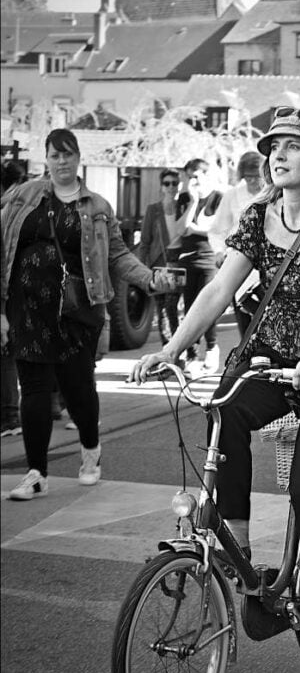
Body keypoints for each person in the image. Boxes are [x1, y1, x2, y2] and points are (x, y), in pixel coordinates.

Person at [132, 108, 300, 637]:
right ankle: (235, 544)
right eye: (273, 148)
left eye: (291, 146)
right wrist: (171, 349)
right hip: (272, 357)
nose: (277, 156)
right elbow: (219, 290)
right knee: (226, 411)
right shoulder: (257, 218)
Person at [0, 128, 172, 500]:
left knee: (77, 388)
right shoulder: (21, 196)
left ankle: (91, 450)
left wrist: (149, 279)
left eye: (68, 154)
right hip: (28, 309)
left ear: (79, 158)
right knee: (33, 389)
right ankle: (35, 473)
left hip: (77, 311)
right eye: (55, 155)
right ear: (45, 159)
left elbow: (117, 256)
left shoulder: (96, 206)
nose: (61, 162)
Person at [175, 157, 223, 377]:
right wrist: (193, 202)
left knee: (207, 306)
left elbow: (217, 230)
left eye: (195, 176)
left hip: (208, 259)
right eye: (189, 177)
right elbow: (180, 229)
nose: (192, 181)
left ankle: (211, 348)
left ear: (205, 175)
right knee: (189, 309)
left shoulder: (218, 198)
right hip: (187, 259)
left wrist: (195, 229)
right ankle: (193, 355)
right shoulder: (185, 198)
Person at [209, 150, 264, 337]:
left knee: (267, 319)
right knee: (244, 322)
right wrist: (218, 252)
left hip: (266, 267)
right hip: (237, 264)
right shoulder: (232, 196)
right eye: (248, 177)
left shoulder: (273, 194)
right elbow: (218, 230)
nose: (252, 182)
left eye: (256, 177)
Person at [138, 168, 183, 345]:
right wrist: (142, 271)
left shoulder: (184, 208)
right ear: (161, 187)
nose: (171, 187)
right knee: (162, 309)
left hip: (180, 264)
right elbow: (144, 241)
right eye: (167, 183)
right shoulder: (153, 210)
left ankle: (180, 348)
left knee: (173, 307)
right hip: (159, 264)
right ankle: (168, 351)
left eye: (174, 183)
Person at [1, 159, 28, 437]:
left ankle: (10, 417)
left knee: (6, 352)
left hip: (9, 291)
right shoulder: (27, 205)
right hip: (21, 288)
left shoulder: (8, 207)